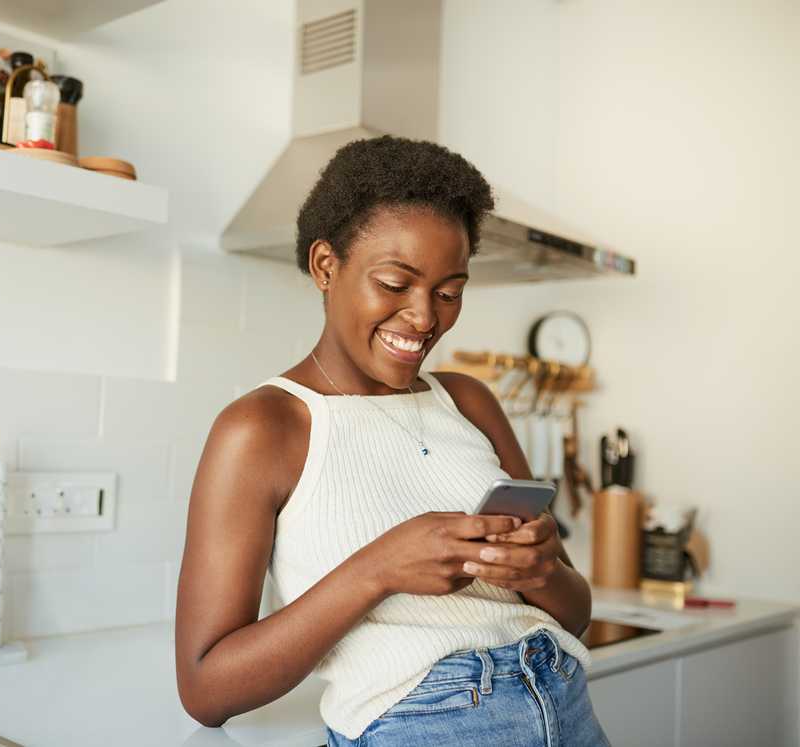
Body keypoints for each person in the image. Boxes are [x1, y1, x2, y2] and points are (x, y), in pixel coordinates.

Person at [174, 135, 609, 746]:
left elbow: (575, 612)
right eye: (395, 282)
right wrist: (378, 570)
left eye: (449, 292)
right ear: (327, 266)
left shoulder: (468, 400)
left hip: (566, 709)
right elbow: (205, 690)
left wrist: (538, 570)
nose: (425, 317)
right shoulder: (264, 428)